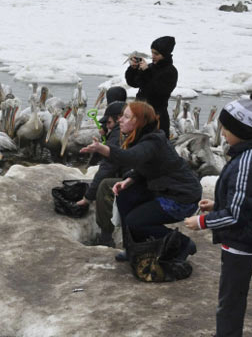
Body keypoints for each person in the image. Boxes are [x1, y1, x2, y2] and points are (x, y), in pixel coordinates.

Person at [184, 94, 252, 337]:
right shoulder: (250, 153)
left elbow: (237, 214)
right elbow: (243, 200)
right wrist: (217, 204)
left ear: (240, 130)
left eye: (226, 127)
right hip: (242, 236)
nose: (221, 132)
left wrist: (202, 221)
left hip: (244, 240)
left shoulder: (246, 162)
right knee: (229, 294)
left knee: (230, 298)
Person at [80, 101, 201, 261]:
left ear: (139, 122)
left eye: (126, 117)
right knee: (125, 194)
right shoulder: (140, 137)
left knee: (135, 221)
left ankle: (183, 244)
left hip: (180, 197)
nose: (120, 120)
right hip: (164, 188)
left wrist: (102, 148)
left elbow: (130, 157)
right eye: (122, 116)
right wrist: (130, 179)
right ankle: (133, 249)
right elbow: (147, 165)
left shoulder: (152, 141)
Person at [76, 100, 126, 247]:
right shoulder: (122, 132)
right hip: (140, 177)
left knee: (104, 186)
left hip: (138, 181)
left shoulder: (117, 136)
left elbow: (106, 168)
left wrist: (88, 198)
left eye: (109, 122)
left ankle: (106, 237)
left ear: (118, 119)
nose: (107, 126)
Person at [125, 36, 177, 138]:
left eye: (156, 54)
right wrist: (133, 69)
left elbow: (157, 92)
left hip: (156, 118)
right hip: (140, 115)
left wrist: (146, 72)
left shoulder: (171, 72)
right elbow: (133, 83)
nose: (152, 56)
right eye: (152, 52)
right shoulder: (151, 67)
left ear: (165, 54)